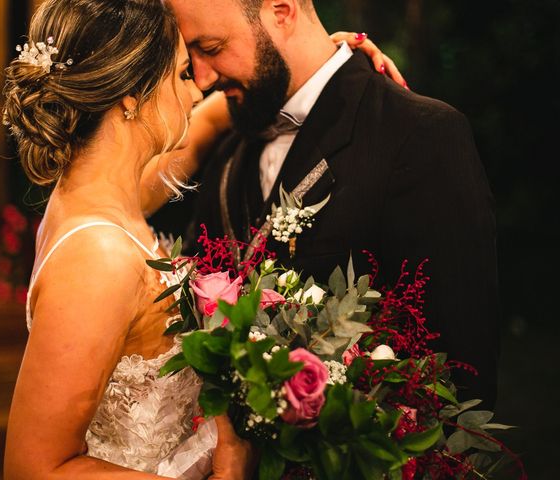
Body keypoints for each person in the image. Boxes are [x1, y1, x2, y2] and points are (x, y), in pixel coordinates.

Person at [2, 0, 396, 478]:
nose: (198, 90)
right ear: (132, 95)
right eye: (183, 73)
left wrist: (323, 66)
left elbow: (210, 119)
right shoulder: (99, 257)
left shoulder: (93, 193)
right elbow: (32, 469)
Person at [173, 0, 499, 407]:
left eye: (213, 47)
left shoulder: (419, 135)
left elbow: (461, 369)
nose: (201, 79)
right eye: (192, 56)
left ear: (282, 11)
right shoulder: (225, 149)